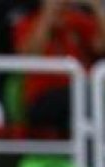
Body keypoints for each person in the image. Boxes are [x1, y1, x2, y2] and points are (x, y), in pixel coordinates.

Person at [14, 0, 105, 136]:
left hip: (82, 91)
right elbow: (29, 54)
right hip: (43, 97)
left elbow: (101, 47)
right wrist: (48, 15)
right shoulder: (28, 21)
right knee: (80, 97)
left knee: (89, 97)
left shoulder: (77, 20)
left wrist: (97, 8)